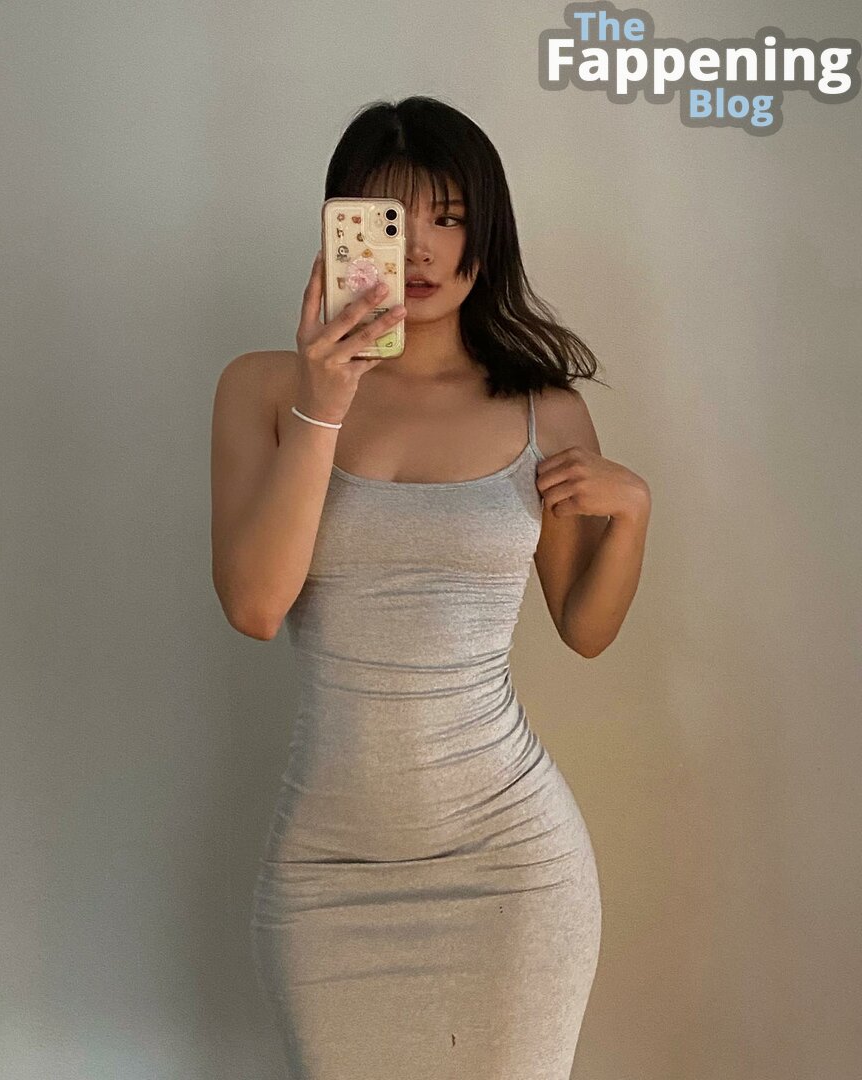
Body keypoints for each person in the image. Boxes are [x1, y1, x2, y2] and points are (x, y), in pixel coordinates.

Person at [210, 95, 651, 1079]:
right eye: (390, 217)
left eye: (448, 216)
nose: (419, 247)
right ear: (340, 227)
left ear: (485, 231)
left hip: (511, 866)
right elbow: (255, 607)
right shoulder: (261, 390)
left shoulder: (543, 411)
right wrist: (324, 404)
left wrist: (633, 514)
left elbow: (584, 628)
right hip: (327, 873)